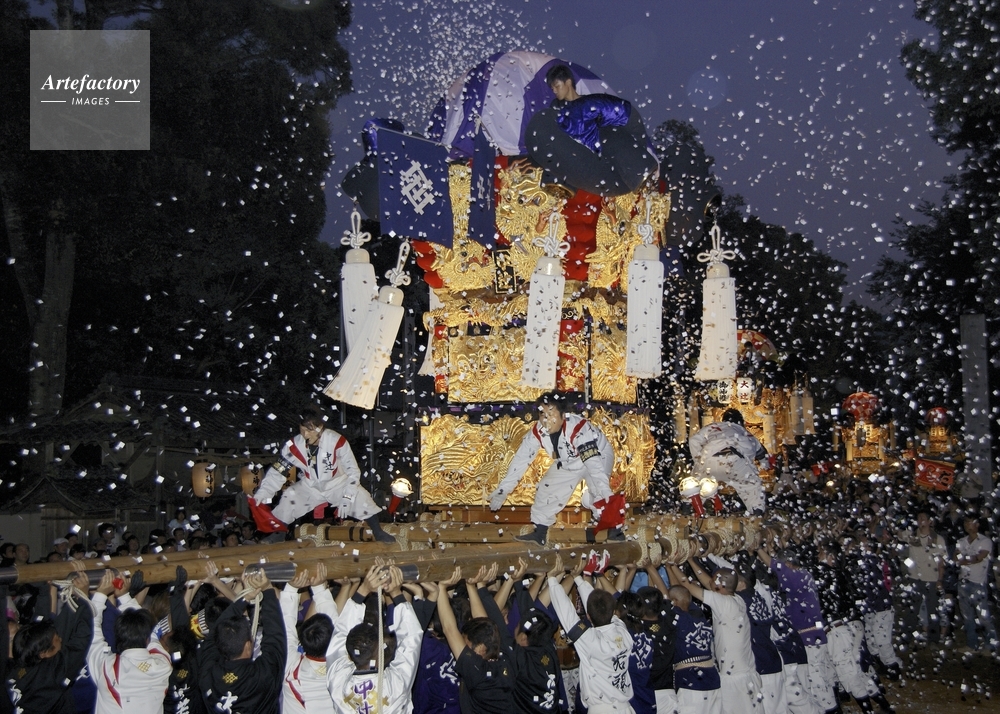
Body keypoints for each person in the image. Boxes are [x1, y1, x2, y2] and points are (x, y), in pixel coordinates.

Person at [489, 391, 623, 545]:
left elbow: (594, 467)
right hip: (567, 462)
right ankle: (540, 533)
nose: (546, 420)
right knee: (546, 489)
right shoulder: (537, 432)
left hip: (598, 455)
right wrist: (504, 489)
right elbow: (521, 460)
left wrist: (606, 495)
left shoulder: (578, 430)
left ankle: (615, 529)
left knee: (598, 491)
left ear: (563, 415)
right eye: (542, 414)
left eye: (551, 414)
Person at [251, 405, 394, 542]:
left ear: (320, 427)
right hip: (310, 485)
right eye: (302, 430)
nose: (305, 434)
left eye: (310, 430)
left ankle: (378, 531)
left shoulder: (337, 441)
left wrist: (347, 496)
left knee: (361, 497)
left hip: (338, 483)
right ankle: (279, 534)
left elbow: (353, 471)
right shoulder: (292, 446)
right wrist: (263, 493)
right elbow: (277, 472)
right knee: (290, 495)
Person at [525, 64, 657, 197]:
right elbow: (549, 145)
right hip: (582, 161)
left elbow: (627, 115)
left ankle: (640, 172)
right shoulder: (557, 112)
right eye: (552, 88)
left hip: (610, 164)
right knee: (551, 128)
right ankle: (559, 186)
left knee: (608, 131)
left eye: (557, 86)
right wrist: (528, 161)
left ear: (568, 82)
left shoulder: (592, 105)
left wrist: (639, 146)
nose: (554, 90)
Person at [668, 560, 764, 714]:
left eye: (713, 580)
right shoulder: (737, 599)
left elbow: (687, 586)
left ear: (720, 585)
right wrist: (690, 560)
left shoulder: (722, 602)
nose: (710, 582)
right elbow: (706, 583)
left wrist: (671, 564)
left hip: (734, 678)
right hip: (748, 673)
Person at [327, 563, 423, 714]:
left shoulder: (338, 682)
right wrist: (395, 592)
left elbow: (339, 635)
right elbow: (412, 639)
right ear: (380, 652)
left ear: (349, 654)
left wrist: (363, 590)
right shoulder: (394, 685)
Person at [197, 569, 286, 714]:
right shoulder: (263, 676)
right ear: (248, 646)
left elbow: (275, 638)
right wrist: (266, 589)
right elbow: (275, 636)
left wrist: (249, 597)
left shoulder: (207, 675)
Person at [7, 572, 94, 713]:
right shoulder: (48, 673)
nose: (61, 639)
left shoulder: (27, 653)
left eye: (18, 628)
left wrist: (43, 588)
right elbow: (81, 640)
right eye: (11, 638)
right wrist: (83, 598)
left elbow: (41, 624)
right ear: (44, 653)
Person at [88, 570, 171, 713]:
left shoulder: (108, 669)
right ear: (146, 640)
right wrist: (122, 596)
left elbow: (92, 633)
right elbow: (150, 631)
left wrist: (103, 594)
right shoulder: (162, 665)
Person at [437, 565, 516, 713]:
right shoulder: (506, 656)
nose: (463, 645)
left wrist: (441, 588)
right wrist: (471, 585)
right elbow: (484, 622)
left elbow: (449, 629)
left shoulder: (477, 671)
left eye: (466, 641)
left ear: (480, 648)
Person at [688, 409, 767, 515]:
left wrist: (699, 461)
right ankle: (756, 513)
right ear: (741, 422)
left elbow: (693, 440)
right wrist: (766, 466)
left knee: (695, 487)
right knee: (752, 485)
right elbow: (762, 454)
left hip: (708, 460)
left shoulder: (714, 426)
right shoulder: (745, 432)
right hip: (735, 460)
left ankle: (688, 510)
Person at [902, 509, 947, 644]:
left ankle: (933, 640)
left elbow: (941, 561)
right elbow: (897, 534)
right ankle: (906, 637)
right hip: (915, 578)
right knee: (912, 609)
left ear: (929, 521)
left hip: (931, 579)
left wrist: (940, 580)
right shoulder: (912, 536)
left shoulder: (937, 539)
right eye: (918, 518)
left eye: (923, 518)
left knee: (932, 610)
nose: (920, 520)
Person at [955, 514, 997, 653]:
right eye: (965, 522)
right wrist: (966, 559)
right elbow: (956, 556)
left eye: (970, 522)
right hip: (963, 581)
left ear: (977, 524)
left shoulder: (985, 541)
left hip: (978, 583)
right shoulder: (961, 541)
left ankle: (991, 645)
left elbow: (979, 557)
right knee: (967, 616)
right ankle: (971, 644)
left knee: (983, 617)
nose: (967, 525)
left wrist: (963, 559)